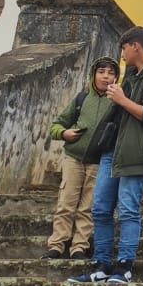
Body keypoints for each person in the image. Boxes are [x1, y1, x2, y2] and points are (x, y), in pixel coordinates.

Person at [68, 26, 143, 286]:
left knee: (127, 209)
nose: (122, 54)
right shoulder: (133, 76)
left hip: (137, 152)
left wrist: (123, 100)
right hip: (113, 151)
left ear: (135, 46)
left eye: (124, 48)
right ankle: (102, 264)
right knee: (101, 208)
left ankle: (124, 266)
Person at [45, 56, 118, 260]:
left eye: (111, 72)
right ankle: (57, 244)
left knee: (88, 206)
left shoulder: (117, 102)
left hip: (99, 162)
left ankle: (79, 246)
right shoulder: (81, 99)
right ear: (93, 74)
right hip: (73, 159)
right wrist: (64, 134)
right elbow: (56, 126)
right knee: (66, 203)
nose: (105, 76)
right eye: (101, 71)